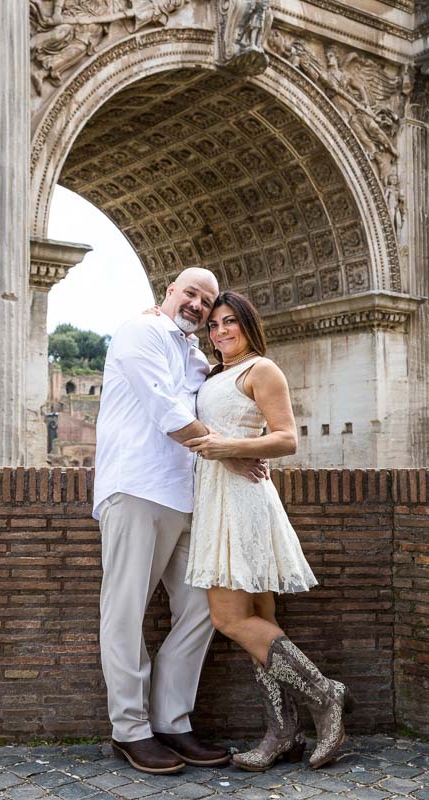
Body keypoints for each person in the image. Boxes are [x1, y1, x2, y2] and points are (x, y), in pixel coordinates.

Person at [93, 269, 267, 775]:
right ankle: (130, 730)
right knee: (124, 612)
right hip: (135, 487)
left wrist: (246, 443)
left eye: (207, 301)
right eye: (190, 293)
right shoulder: (139, 331)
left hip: (187, 497)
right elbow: (166, 409)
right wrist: (230, 453)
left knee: (201, 607)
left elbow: (221, 402)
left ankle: (172, 720)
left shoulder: (196, 356)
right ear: (169, 290)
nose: (197, 304)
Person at [184, 291, 355, 771]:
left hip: (243, 502)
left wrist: (227, 447)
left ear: (248, 325)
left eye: (229, 322)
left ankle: (325, 694)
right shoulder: (216, 374)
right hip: (218, 495)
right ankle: (282, 731)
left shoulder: (262, 369)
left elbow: (286, 437)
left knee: (229, 618)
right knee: (261, 618)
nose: (220, 332)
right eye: (213, 324)